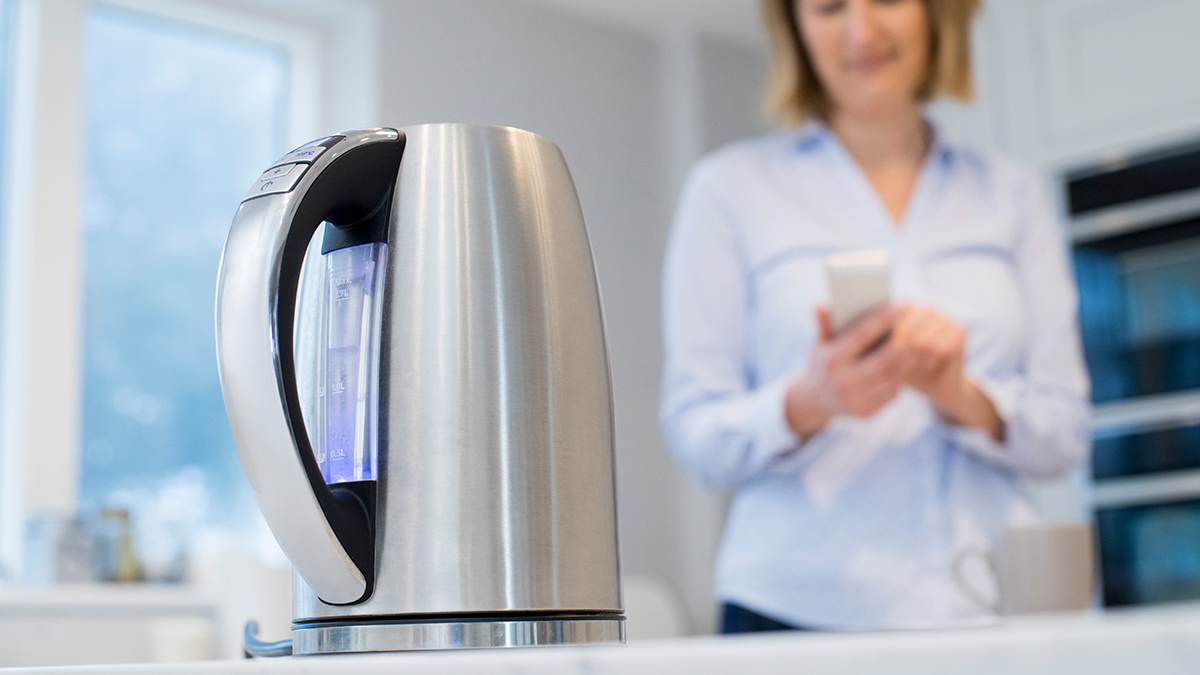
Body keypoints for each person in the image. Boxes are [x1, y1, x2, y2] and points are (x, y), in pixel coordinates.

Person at [659, 0, 1091, 632]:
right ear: (796, 28)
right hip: (795, 611)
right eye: (830, 6)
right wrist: (809, 401)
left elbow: (1066, 431)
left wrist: (961, 395)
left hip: (986, 606)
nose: (861, 31)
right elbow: (695, 432)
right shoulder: (729, 188)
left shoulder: (1012, 194)